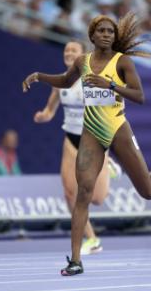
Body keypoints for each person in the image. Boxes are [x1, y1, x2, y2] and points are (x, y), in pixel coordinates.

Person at [22, 12, 151, 276]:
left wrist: (110, 85)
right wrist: (38, 75)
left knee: (149, 192)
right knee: (82, 194)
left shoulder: (122, 62)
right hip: (92, 132)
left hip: (118, 128)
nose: (106, 34)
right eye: (102, 31)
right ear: (92, 36)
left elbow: (140, 96)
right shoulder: (83, 62)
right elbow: (63, 82)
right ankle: (75, 260)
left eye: (110, 31)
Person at [33, 40, 111, 255]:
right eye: (66, 50)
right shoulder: (60, 82)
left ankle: (109, 166)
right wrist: (44, 116)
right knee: (70, 193)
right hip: (71, 139)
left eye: (73, 50)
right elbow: (50, 109)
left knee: (97, 198)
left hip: (94, 140)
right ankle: (92, 239)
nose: (68, 53)